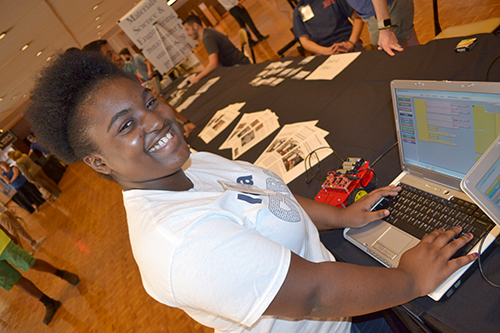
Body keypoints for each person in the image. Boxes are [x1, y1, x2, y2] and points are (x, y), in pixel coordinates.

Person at [25, 51, 478, 332]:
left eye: (148, 101)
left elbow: (266, 194)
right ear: (99, 162)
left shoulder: (184, 162)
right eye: (126, 125)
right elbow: (313, 295)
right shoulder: (182, 244)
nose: (156, 121)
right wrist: (412, 279)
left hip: (341, 299)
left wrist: (341, 216)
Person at [0, 225, 80, 325]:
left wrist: (8, 234)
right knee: (15, 281)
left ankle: (62, 274)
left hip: (2, 244)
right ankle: (49, 303)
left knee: (30, 263)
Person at [183, 15, 251, 85]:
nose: (187, 34)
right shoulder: (208, 32)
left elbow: (214, 64)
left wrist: (197, 78)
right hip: (236, 64)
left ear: (195, 25)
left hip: (239, 67)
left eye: (187, 29)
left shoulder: (208, 38)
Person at [346, 0, 419, 56]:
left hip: (385, 9)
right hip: (373, 12)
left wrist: (385, 28)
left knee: (397, 57)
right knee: (412, 50)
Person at [293, 0, 365, 55]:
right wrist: (325, 51)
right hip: (322, 52)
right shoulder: (298, 10)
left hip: (346, 44)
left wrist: (351, 43)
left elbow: (358, 19)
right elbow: (304, 41)